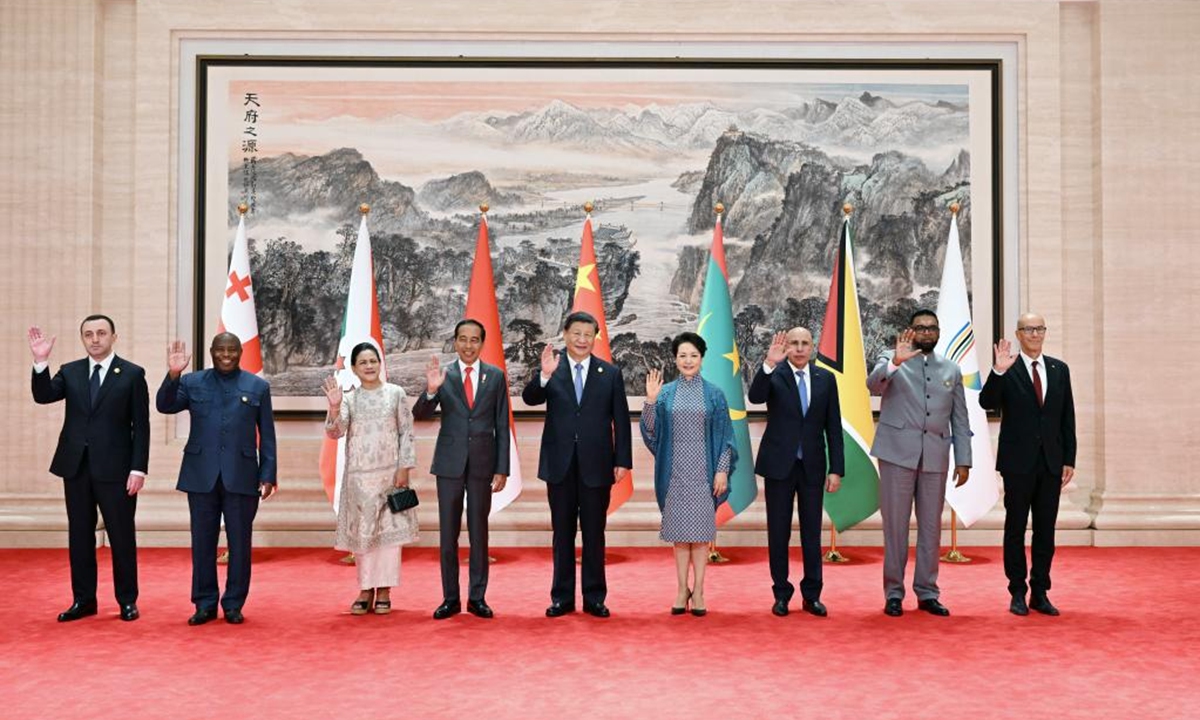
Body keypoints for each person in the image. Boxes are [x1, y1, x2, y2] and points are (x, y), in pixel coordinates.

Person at [29, 316, 149, 622]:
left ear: (113, 337)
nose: (95, 339)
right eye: (88, 334)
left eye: (101, 333)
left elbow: (142, 427)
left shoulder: (132, 374)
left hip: (118, 470)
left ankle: (126, 600)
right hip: (76, 468)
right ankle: (84, 600)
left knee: (121, 536)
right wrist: (40, 362)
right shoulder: (71, 371)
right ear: (82, 338)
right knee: (79, 536)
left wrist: (138, 468)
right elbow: (43, 396)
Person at [156, 333, 277, 626]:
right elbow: (164, 405)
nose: (226, 355)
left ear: (239, 352)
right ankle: (205, 603)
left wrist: (268, 474)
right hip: (201, 476)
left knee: (240, 544)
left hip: (242, 476)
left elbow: (268, 434)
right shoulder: (192, 381)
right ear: (211, 352)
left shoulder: (257, 386)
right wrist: (174, 374)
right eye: (220, 350)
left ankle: (234, 603)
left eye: (232, 350)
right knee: (202, 543)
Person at [522, 311, 632, 618]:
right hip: (560, 465)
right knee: (563, 533)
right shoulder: (552, 369)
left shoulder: (609, 373)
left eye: (588, 334)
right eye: (576, 334)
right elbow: (530, 398)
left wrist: (622, 460)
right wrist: (543, 376)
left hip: (598, 466)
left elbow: (621, 420)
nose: (582, 340)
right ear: (565, 334)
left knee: (595, 533)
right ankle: (562, 597)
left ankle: (595, 597)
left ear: (595, 338)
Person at [868, 309, 971, 617]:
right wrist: (896, 362)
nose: (927, 332)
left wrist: (963, 459)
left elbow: (960, 418)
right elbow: (873, 385)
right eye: (920, 328)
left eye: (932, 328)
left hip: (935, 457)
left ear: (938, 333)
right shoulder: (892, 358)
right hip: (897, 455)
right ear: (910, 331)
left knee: (930, 528)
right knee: (896, 528)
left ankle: (927, 592)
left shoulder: (950, 369)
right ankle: (894, 593)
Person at [979, 313, 1076, 616]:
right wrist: (997, 370)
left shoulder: (1059, 369)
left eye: (1040, 328)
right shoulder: (1008, 368)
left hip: (1051, 463)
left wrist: (1069, 459)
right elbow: (987, 402)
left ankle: (1041, 591)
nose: (1035, 334)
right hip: (1017, 464)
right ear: (1018, 334)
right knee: (1015, 528)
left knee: (1046, 531)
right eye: (1029, 329)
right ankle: (1017, 591)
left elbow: (1066, 418)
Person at [412, 320, 508, 620]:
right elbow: (420, 415)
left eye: (474, 340)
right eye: (463, 339)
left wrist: (502, 467)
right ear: (455, 342)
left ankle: (477, 598)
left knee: (479, 533)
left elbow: (502, 425)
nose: (468, 345)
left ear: (482, 343)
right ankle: (450, 598)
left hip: (483, 464)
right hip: (449, 464)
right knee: (448, 534)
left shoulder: (495, 377)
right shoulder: (444, 375)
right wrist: (430, 391)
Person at [747, 327, 844, 618]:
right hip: (779, 467)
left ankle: (812, 594)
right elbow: (755, 397)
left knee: (811, 534)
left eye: (805, 343)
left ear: (812, 346)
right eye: (794, 343)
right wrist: (768, 364)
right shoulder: (774, 374)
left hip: (812, 467)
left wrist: (836, 469)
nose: (800, 348)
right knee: (778, 533)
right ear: (786, 346)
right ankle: (781, 593)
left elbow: (833, 427)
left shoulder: (825, 379)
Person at [640, 332, 737, 616]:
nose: (688, 360)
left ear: (702, 358)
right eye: (682, 355)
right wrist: (649, 401)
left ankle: (701, 591)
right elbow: (651, 433)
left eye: (693, 355)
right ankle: (682, 589)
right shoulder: (666, 394)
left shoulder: (715, 394)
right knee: (680, 536)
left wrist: (721, 470)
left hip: (704, 473)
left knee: (701, 535)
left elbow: (725, 437)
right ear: (675, 359)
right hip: (674, 472)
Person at [322, 341, 418, 616]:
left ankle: (385, 589)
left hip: (391, 477)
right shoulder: (350, 399)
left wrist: (404, 468)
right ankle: (365, 589)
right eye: (362, 362)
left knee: (388, 539)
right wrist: (334, 407)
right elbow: (335, 432)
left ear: (380, 364)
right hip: (360, 481)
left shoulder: (396, 394)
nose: (369, 366)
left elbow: (406, 433)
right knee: (364, 538)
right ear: (354, 368)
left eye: (373, 361)